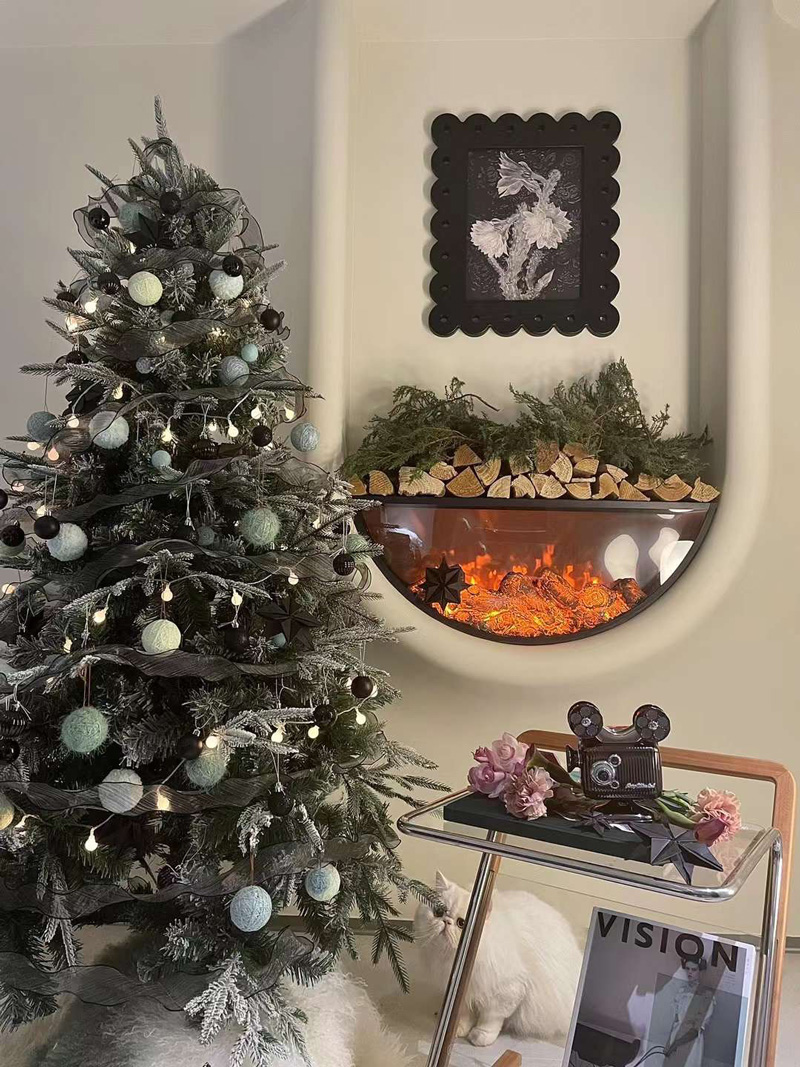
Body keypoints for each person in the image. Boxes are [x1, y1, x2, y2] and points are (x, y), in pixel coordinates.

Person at [663, 957, 715, 1067]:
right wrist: (669, 1044)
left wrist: (676, 1044)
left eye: (694, 969)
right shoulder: (682, 992)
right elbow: (676, 1020)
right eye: (687, 969)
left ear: (701, 971)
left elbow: (696, 1030)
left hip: (691, 1043)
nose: (689, 972)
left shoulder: (706, 995)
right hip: (675, 1037)